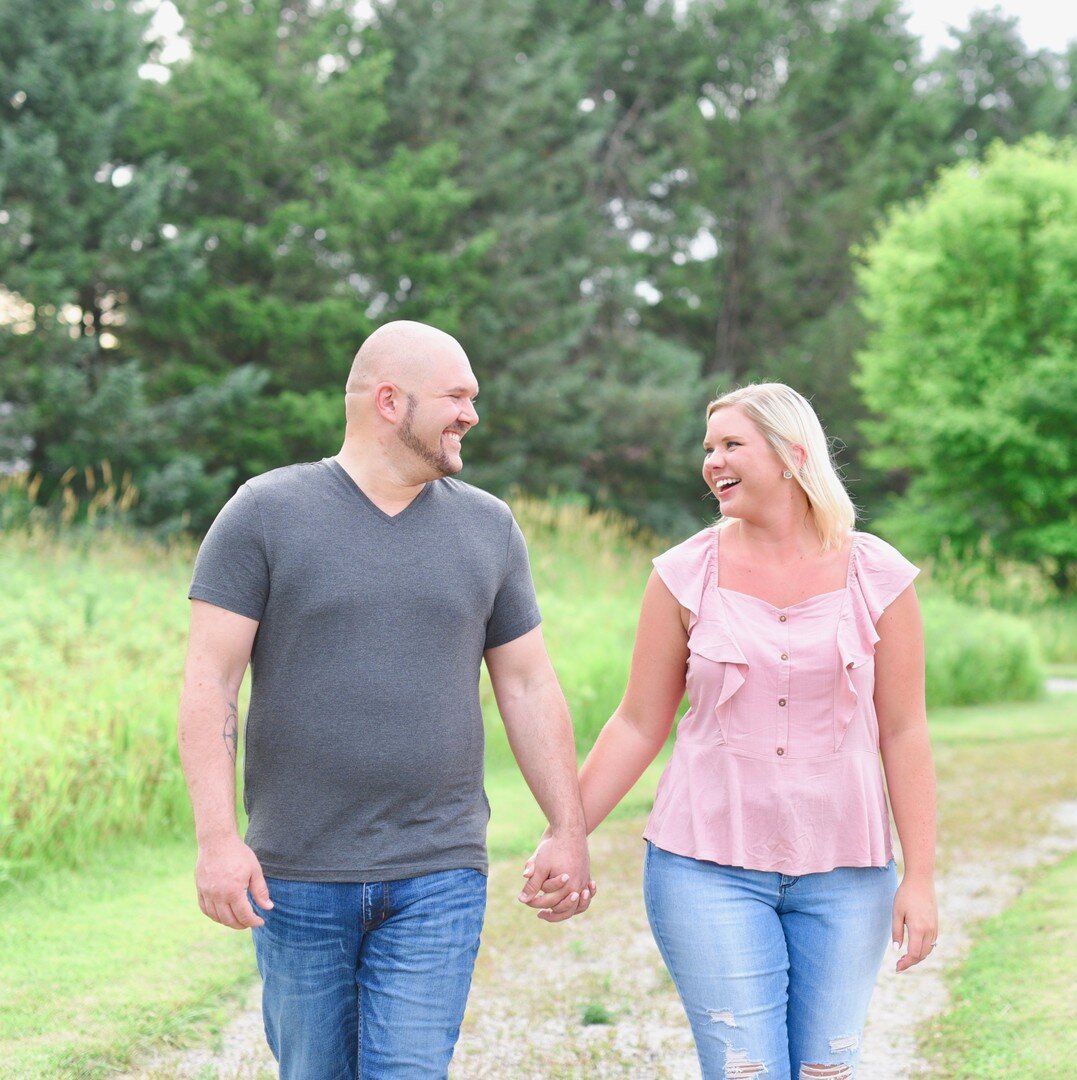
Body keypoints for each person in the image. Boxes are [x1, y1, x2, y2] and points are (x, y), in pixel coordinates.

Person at [178, 320, 592, 1079]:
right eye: (457, 396)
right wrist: (216, 839)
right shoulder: (264, 514)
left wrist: (569, 828)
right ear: (390, 401)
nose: (473, 413)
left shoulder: (488, 527)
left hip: (439, 869)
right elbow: (210, 682)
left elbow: (529, 685)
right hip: (296, 874)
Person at [522, 382, 939, 1078]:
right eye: (708, 447)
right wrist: (567, 832)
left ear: (791, 455)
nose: (713, 460)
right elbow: (636, 722)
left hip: (849, 873)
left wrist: (920, 876)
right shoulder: (685, 574)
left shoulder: (879, 575)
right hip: (703, 867)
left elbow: (905, 733)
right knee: (745, 1068)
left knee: (827, 1068)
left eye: (731, 445)